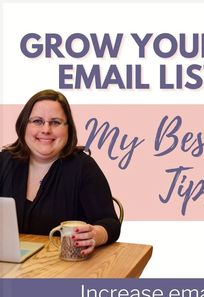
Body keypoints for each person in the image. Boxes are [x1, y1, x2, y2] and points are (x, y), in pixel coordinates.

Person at [0, 89, 121, 257]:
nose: (46, 129)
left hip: (63, 267)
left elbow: (111, 223)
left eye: (55, 122)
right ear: (24, 125)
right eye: (37, 121)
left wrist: (95, 234)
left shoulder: (83, 167)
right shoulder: (4, 161)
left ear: (68, 128)